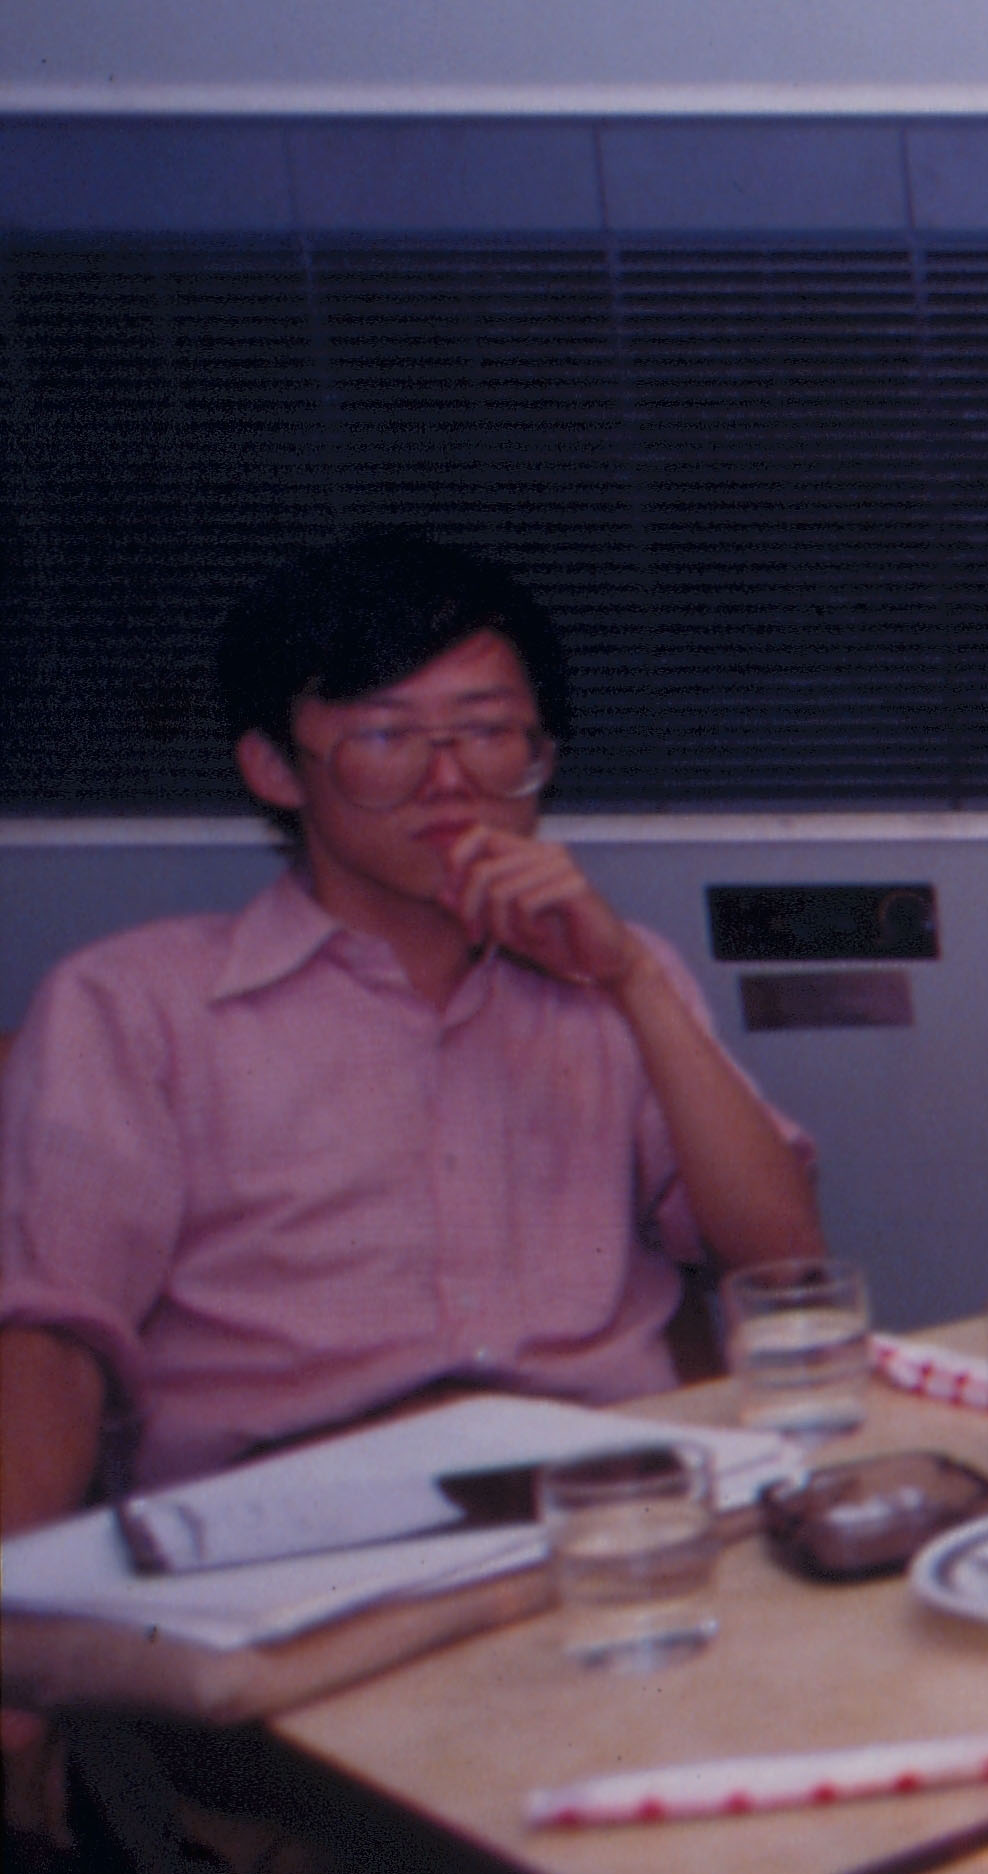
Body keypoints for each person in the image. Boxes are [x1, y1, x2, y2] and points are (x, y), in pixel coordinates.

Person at [0, 530, 822, 1533]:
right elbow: (46, 1343)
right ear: (275, 768)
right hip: (291, 1526)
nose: (450, 781)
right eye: (387, 737)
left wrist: (634, 983)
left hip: (600, 1507)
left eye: (489, 731)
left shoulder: (612, 969)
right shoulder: (133, 1005)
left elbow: (787, 1262)